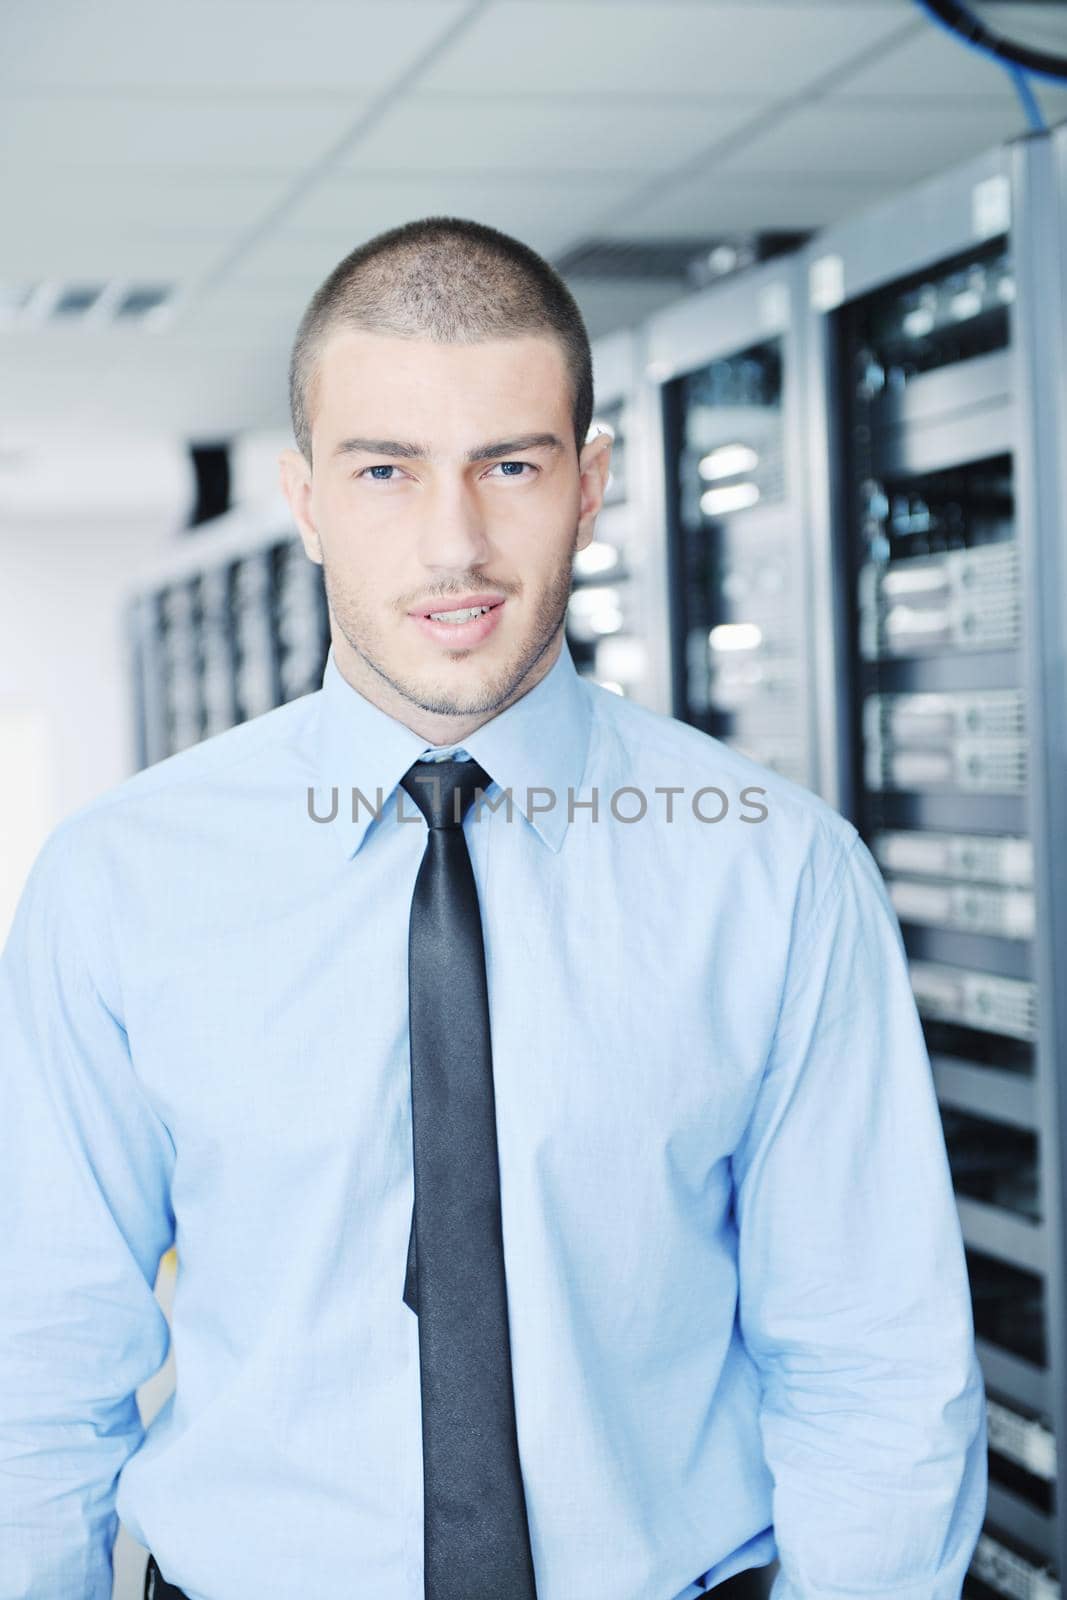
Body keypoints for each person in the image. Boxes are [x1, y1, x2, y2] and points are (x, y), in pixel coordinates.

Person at [0, 216, 986, 1600]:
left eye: (509, 466)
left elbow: (875, 1372)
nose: (452, 543)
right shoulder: (117, 884)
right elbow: (38, 1368)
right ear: (307, 500)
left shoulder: (776, 877)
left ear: (588, 487)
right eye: (386, 471)